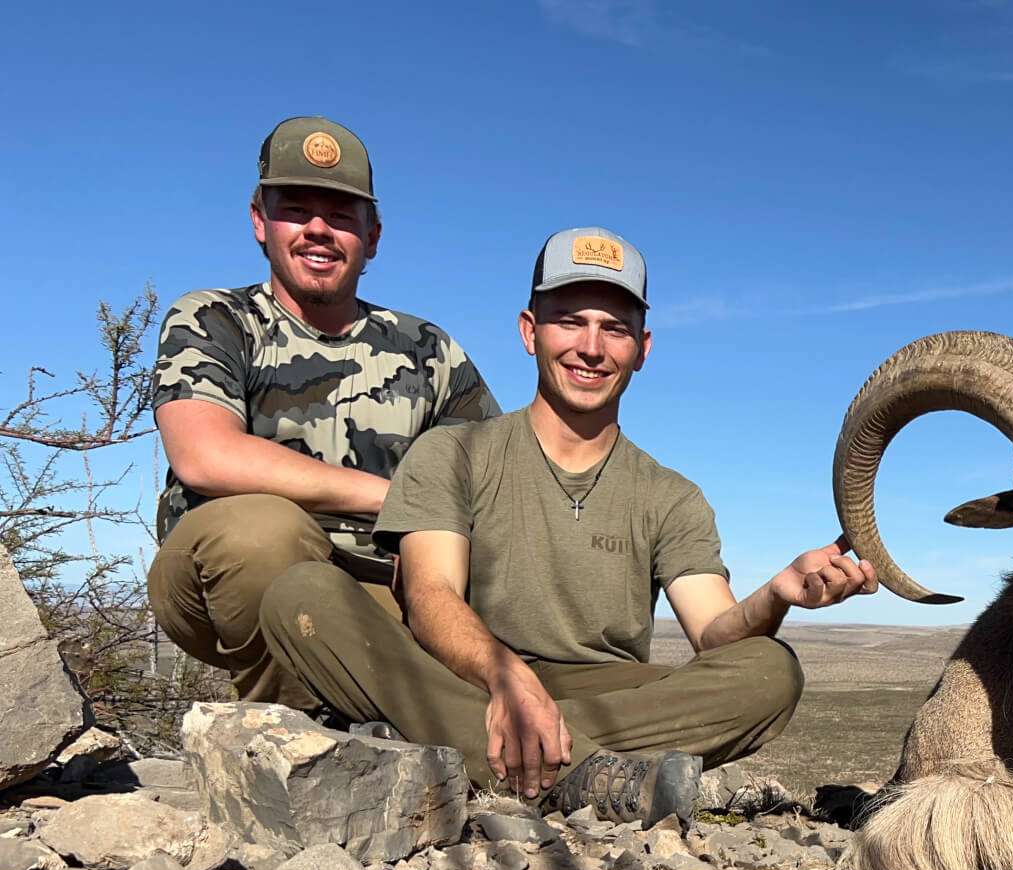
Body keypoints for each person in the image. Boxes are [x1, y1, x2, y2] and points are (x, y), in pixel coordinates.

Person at [257, 226, 877, 826]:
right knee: (300, 596)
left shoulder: (672, 496)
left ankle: (474, 746)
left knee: (770, 671)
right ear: (530, 333)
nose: (590, 347)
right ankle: (582, 773)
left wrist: (776, 595)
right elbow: (429, 595)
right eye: (569, 321)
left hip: (602, 691)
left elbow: (715, 636)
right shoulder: (452, 454)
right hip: (466, 671)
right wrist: (507, 677)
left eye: (614, 328)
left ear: (643, 348)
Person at [148, 116, 497, 710]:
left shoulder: (429, 349)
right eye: (296, 210)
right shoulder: (214, 319)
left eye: (340, 215)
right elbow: (205, 456)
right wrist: (393, 499)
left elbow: (490, 483)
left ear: (373, 236)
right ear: (259, 220)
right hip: (228, 579)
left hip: (383, 589)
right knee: (262, 533)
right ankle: (296, 735)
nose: (318, 230)